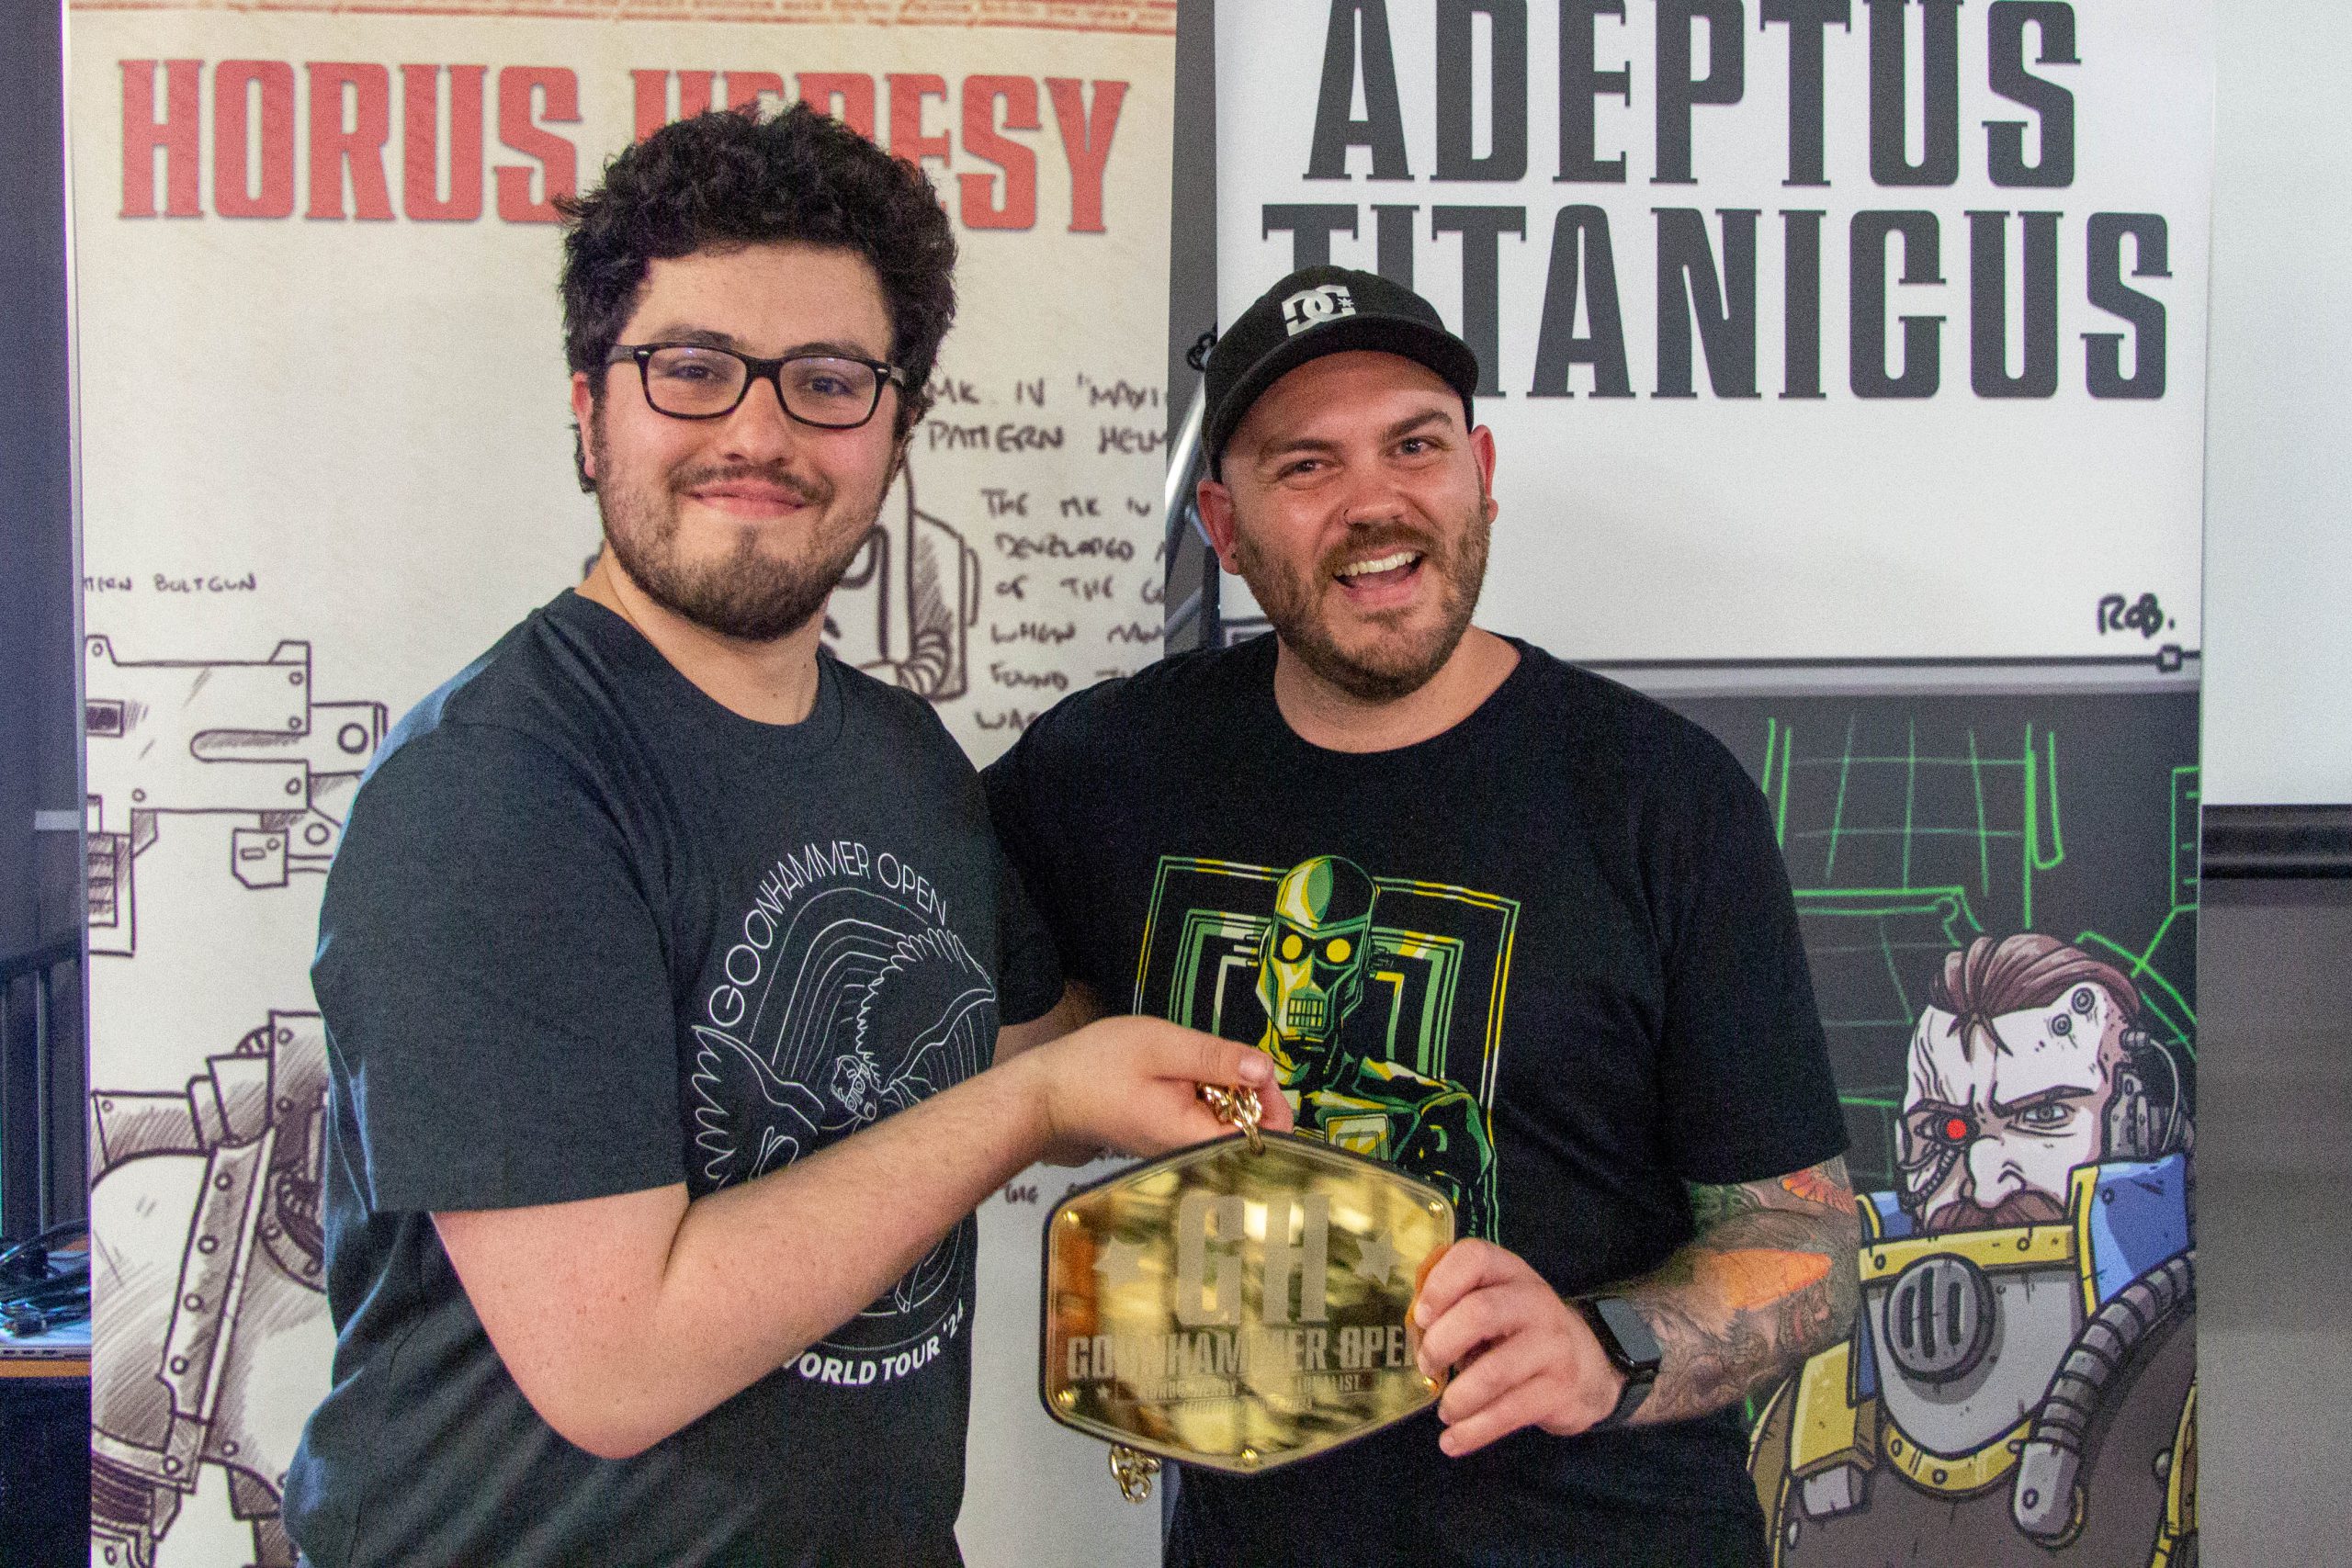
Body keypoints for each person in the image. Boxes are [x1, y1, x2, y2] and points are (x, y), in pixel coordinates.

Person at [278, 107, 1285, 1568]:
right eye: (692, 369)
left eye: (825, 381)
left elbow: (1019, 1045)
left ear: (894, 430)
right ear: (589, 408)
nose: (758, 433)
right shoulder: (495, 791)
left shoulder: (905, 758)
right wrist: (1040, 1101)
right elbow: (617, 1363)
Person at [984, 265, 1860, 1566]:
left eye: (1415, 446)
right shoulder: (1108, 767)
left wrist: (1603, 1347)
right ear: (1225, 527)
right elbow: (986, 1046)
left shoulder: (1661, 797)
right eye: (1307, 466)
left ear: (1480, 474)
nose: (1375, 503)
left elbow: (1809, 1242)